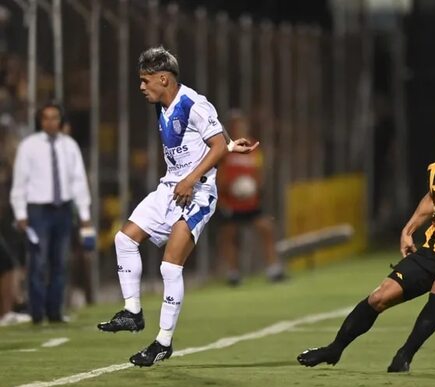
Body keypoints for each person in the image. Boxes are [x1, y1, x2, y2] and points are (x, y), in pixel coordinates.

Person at [297, 109, 435, 372]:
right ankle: (334, 349)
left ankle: (404, 356)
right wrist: (409, 228)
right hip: (431, 254)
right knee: (379, 297)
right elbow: (432, 199)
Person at [97, 46, 258, 367]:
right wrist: (227, 146)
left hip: (196, 193)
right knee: (124, 239)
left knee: (170, 266)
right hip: (169, 188)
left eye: (145, 81)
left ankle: (163, 342)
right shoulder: (164, 104)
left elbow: (214, 144)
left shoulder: (192, 103)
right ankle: (132, 312)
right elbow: (218, 138)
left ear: (163, 78)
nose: (141, 87)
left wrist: (193, 176)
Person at [10, 101, 93, 324]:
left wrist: (84, 215)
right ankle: (37, 313)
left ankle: (55, 312)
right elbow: (20, 182)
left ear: (60, 120)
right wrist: (20, 213)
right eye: (45, 117)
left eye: (54, 117)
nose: (50, 122)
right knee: (38, 262)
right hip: (37, 210)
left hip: (63, 209)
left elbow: (78, 182)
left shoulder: (69, 146)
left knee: (61, 262)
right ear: (40, 121)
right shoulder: (29, 146)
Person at [216, 110, 285, 286]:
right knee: (230, 234)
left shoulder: (253, 146)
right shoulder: (225, 146)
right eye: (234, 124)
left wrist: (255, 186)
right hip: (230, 201)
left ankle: (273, 269)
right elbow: (219, 172)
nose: (239, 126)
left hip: (250, 201)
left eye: (241, 123)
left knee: (266, 228)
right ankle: (233, 273)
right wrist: (226, 189)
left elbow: (259, 171)